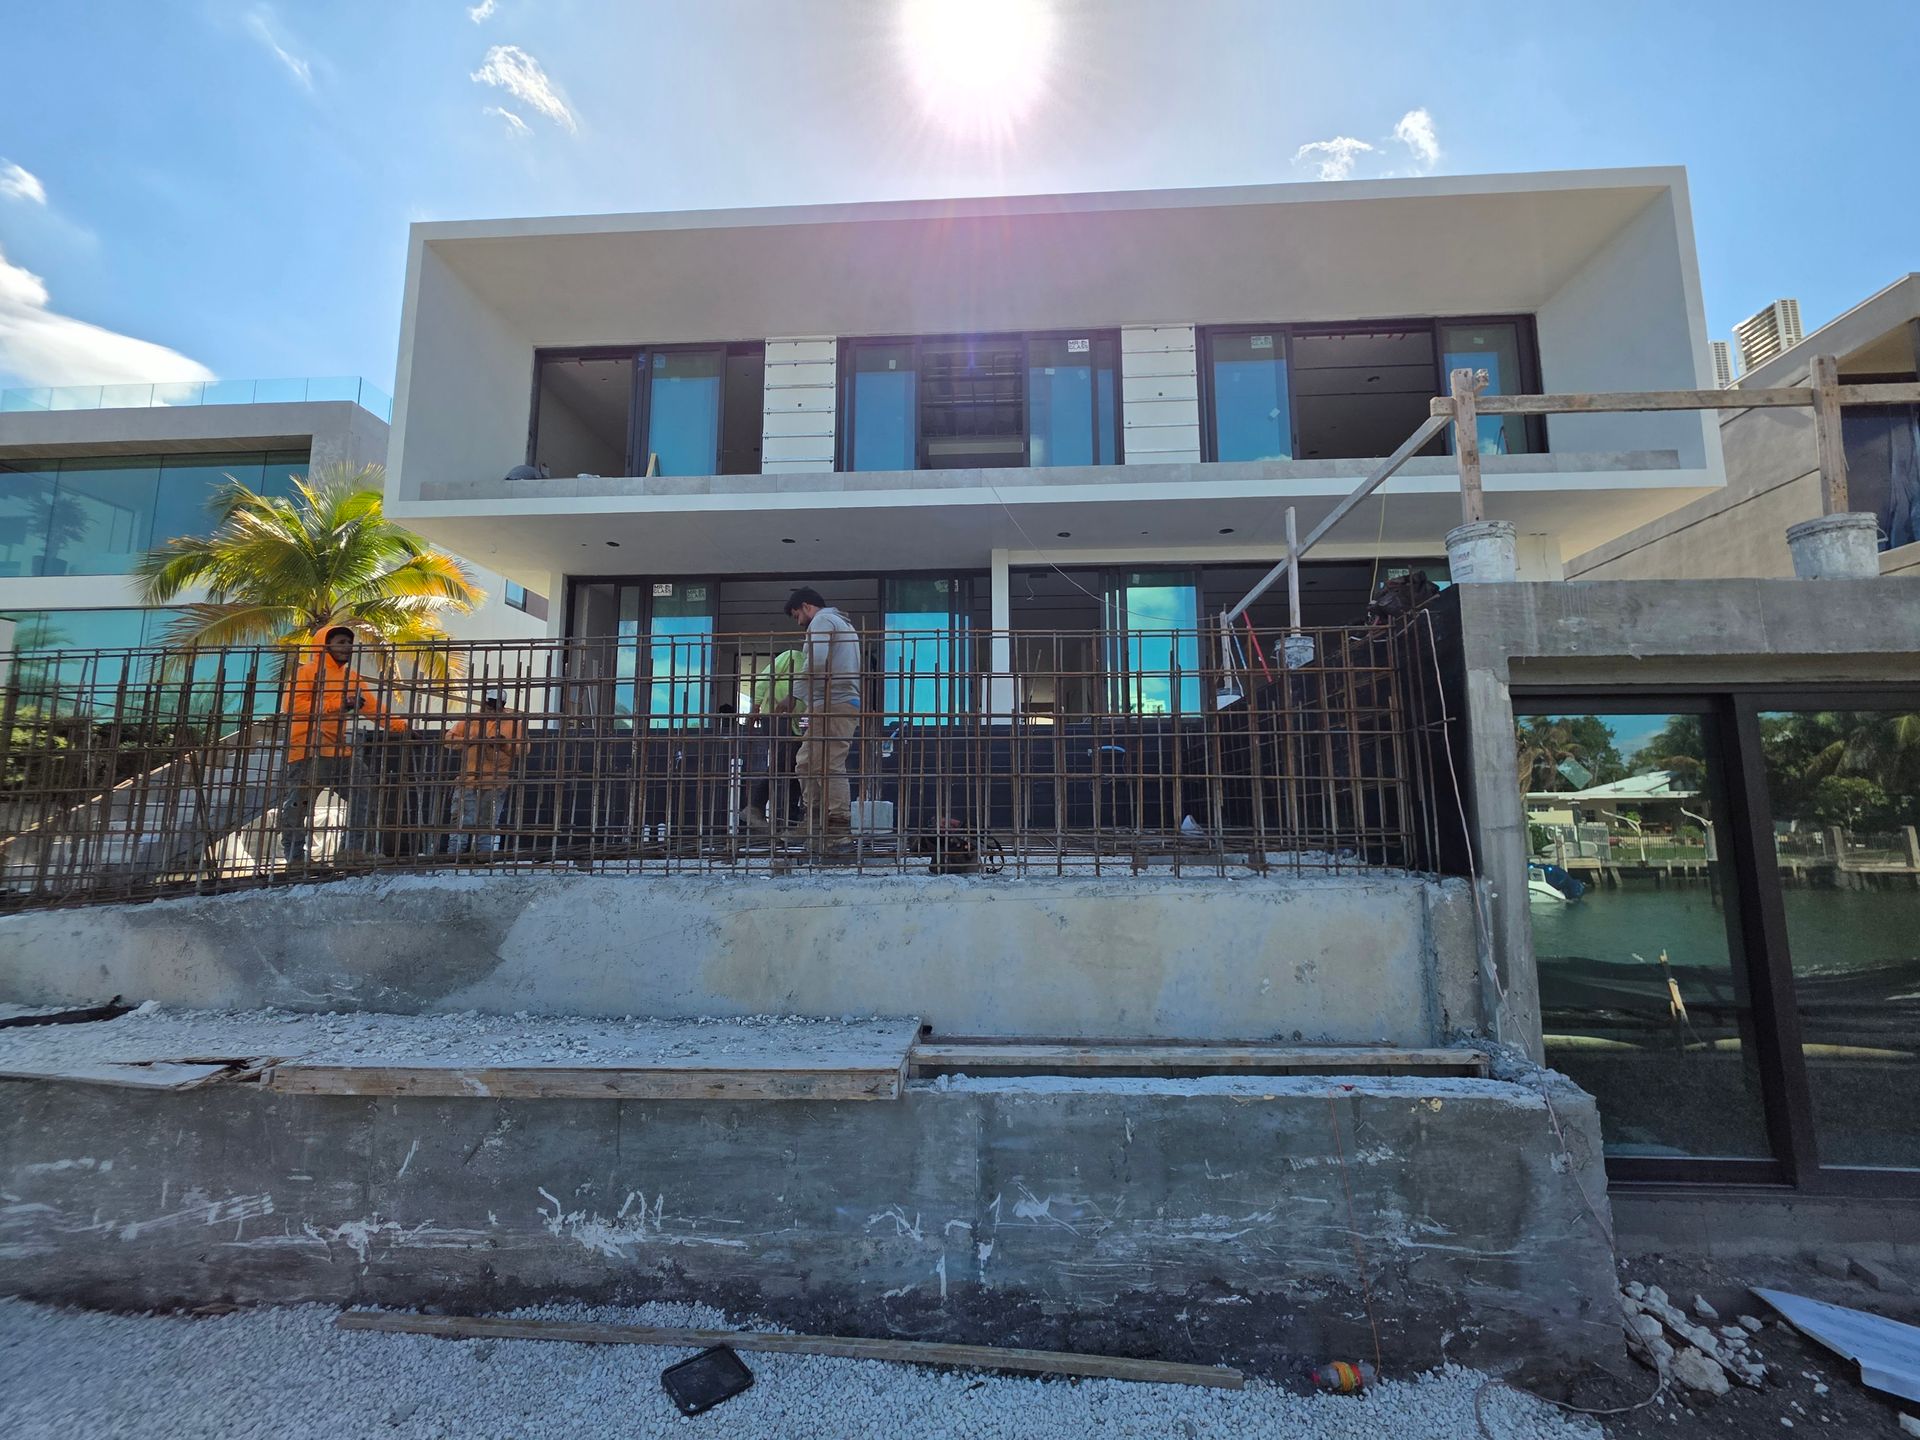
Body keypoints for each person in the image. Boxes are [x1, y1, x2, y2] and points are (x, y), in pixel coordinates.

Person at [277, 626, 407, 865]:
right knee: (299, 805)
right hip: (306, 750)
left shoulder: (352, 677)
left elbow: (372, 708)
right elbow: (293, 707)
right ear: (324, 645)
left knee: (364, 790)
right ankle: (295, 858)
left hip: (337, 750)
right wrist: (340, 704)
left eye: (348, 642)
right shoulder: (306, 673)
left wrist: (401, 727)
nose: (347, 646)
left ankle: (351, 851)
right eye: (340, 641)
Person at [784, 587, 861, 840]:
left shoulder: (822, 620)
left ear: (807, 606)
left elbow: (816, 661)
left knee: (829, 763)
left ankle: (838, 826)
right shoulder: (841, 624)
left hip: (834, 702)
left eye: (797, 615)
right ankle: (814, 821)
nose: (799, 622)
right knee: (806, 763)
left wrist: (795, 695)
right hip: (828, 702)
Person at [444, 691, 529, 856]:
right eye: (489, 705)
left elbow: (524, 749)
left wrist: (504, 745)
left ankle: (483, 856)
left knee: (487, 821)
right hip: (468, 780)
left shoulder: (512, 723)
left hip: (495, 782)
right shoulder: (471, 720)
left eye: (495, 705)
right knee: (461, 820)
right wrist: (470, 740)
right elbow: (449, 739)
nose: (491, 709)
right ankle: (455, 855)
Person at [744, 647, 807, 831]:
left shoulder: (819, 667)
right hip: (775, 715)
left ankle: (790, 820)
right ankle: (754, 807)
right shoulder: (792, 656)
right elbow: (765, 679)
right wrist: (755, 705)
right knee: (783, 760)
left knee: (796, 768)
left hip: (795, 722)